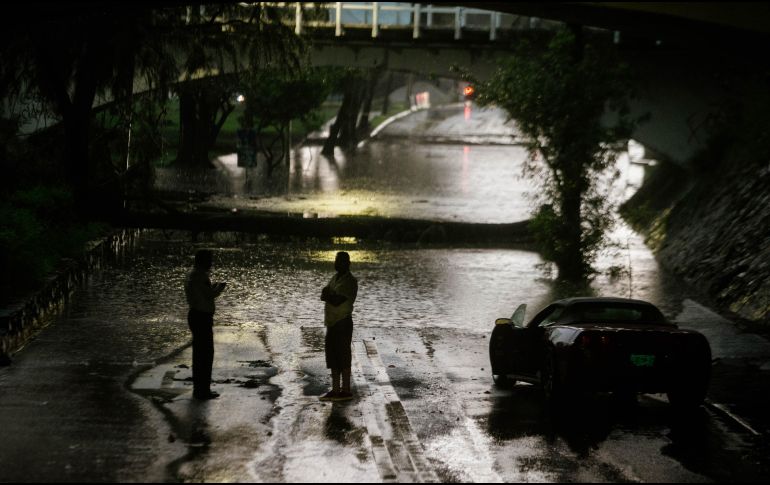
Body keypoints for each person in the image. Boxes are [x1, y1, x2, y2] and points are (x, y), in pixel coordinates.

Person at [184, 249, 226, 400]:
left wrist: (212, 287)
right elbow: (209, 295)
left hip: (195, 315)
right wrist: (219, 288)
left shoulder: (191, 274)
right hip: (202, 317)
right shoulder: (200, 276)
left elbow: (203, 293)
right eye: (210, 260)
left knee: (199, 354)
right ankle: (203, 391)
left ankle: (199, 389)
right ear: (204, 261)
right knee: (206, 355)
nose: (211, 263)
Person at [319, 251, 358, 401]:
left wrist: (328, 295)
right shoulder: (335, 278)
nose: (336, 263)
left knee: (343, 355)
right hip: (331, 322)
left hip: (343, 321)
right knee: (332, 356)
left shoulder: (350, 281)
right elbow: (325, 293)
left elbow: (336, 300)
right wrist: (329, 295)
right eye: (336, 260)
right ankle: (335, 390)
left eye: (340, 261)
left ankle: (346, 390)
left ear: (348, 264)